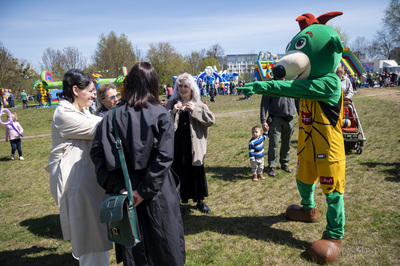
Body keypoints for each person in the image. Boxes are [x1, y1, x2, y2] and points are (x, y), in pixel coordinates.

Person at [91, 62, 186, 265]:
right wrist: (142, 192)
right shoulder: (161, 114)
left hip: (127, 192)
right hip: (157, 190)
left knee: (136, 252)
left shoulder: (111, 117)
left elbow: (97, 156)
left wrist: (120, 188)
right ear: (153, 83)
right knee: (165, 249)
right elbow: (164, 158)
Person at [45, 69, 112, 265]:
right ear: (76, 90)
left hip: (88, 180)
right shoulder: (64, 114)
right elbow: (101, 127)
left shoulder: (83, 111)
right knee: (88, 236)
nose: (94, 95)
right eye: (91, 91)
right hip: (75, 184)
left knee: (98, 232)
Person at [166, 73, 215, 214]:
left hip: (194, 146)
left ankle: (200, 201)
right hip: (177, 145)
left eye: (185, 86)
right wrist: (172, 112)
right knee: (178, 172)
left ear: (192, 88)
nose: (182, 89)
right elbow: (162, 122)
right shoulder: (172, 103)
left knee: (196, 172)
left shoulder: (199, 104)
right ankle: (178, 202)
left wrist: (195, 110)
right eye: (180, 86)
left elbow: (211, 120)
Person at [260, 95, 297, 177]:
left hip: (289, 119)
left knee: (287, 143)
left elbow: (297, 100)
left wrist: (301, 115)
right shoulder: (271, 85)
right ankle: (272, 166)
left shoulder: (291, 83)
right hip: (276, 119)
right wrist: (263, 121)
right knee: (274, 143)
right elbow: (264, 104)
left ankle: (284, 163)